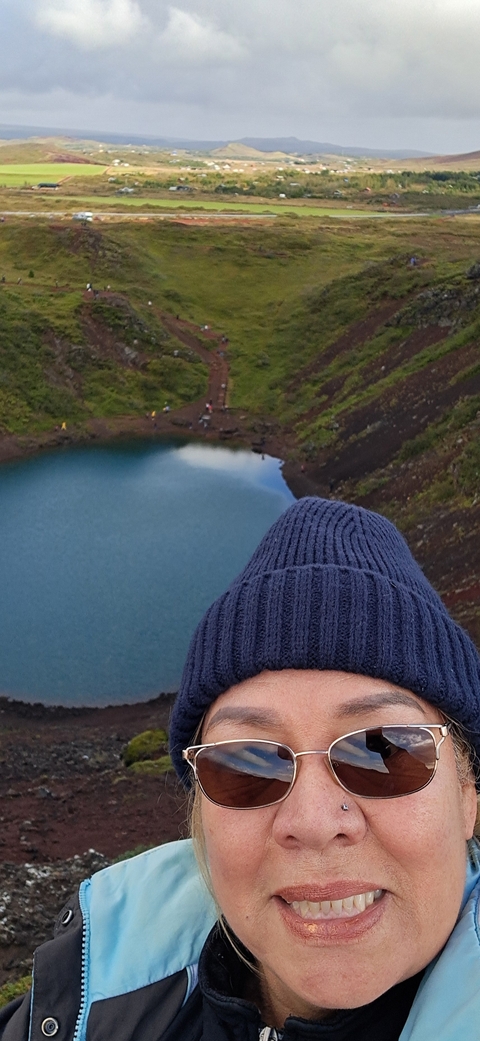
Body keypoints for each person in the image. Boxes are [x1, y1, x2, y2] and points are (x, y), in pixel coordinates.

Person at [2, 497, 480, 1041]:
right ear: (201, 815)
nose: (314, 821)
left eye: (385, 750)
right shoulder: (90, 991)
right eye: (247, 762)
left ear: (468, 795)